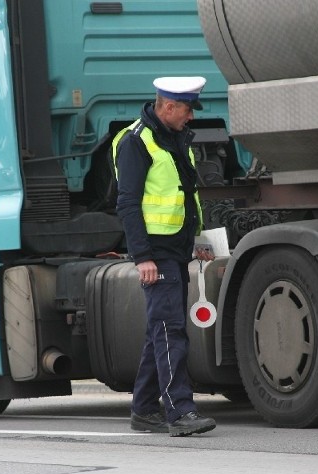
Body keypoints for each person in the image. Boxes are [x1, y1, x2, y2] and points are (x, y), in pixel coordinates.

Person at [112, 76, 216, 437]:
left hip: (175, 249)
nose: (191, 117)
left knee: (161, 329)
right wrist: (143, 257)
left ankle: (143, 409)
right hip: (156, 253)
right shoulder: (136, 142)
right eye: (187, 109)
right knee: (171, 331)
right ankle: (180, 412)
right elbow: (127, 203)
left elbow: (185, 197)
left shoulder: (173, 139)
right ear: (168, 107)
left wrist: (199, 241)